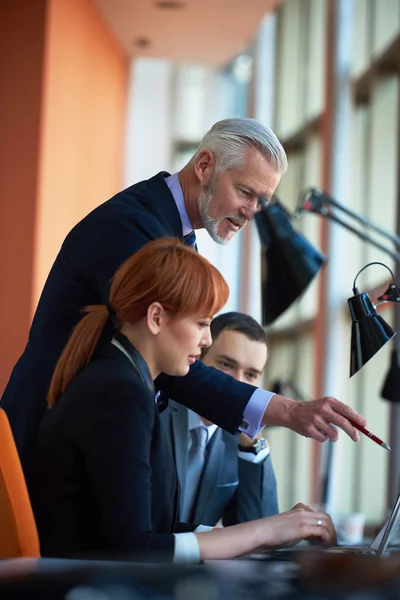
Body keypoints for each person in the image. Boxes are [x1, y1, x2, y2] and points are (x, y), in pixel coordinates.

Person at [1, 117, 366, 485]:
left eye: (262, 201)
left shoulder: (175, 234)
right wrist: (287, 411)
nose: (252, 212)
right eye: (244, 192)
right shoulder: (130, 227)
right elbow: (165, 355)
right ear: (204, 165)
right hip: (42, 445)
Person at [32, 238, 336, 562]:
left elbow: (148, 529)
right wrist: (264, 532)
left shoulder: (121, 380)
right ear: (156, 318)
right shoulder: (120, 393)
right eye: (202, 323)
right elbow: (135, 548)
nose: (206, 340)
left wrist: (267, 533)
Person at [161, 311, 279, 527]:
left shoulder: (238, 445)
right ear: (197, 360)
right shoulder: (157, 410)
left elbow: (258, 533)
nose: (239, 384)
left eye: (251, 375)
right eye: (226, 365)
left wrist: (253, 444)